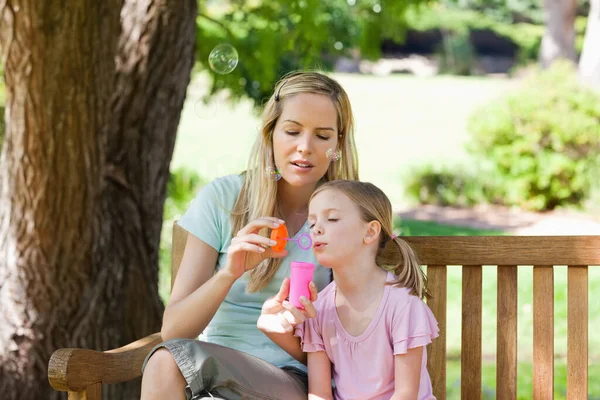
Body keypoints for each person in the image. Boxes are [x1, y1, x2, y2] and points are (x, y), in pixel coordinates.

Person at [140, 71, 360, 400]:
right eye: (292, 131)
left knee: (168, 362)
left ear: (338, 145)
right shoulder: (223, 199)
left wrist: (289, 334)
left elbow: (354, 352)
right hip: (211, 373)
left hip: (298, 378)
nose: (305, 147)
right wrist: (229, 272)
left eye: (323, 136)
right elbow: (174, 332)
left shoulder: (349, 218)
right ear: (270, 134)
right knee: (165, 361)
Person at [258, 180, 439, 400]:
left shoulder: (403, 305)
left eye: (332, 218)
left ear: (370, 231)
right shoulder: (318, 310)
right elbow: (319, 393)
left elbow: (406, 394)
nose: (316, 229)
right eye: (312, 222)